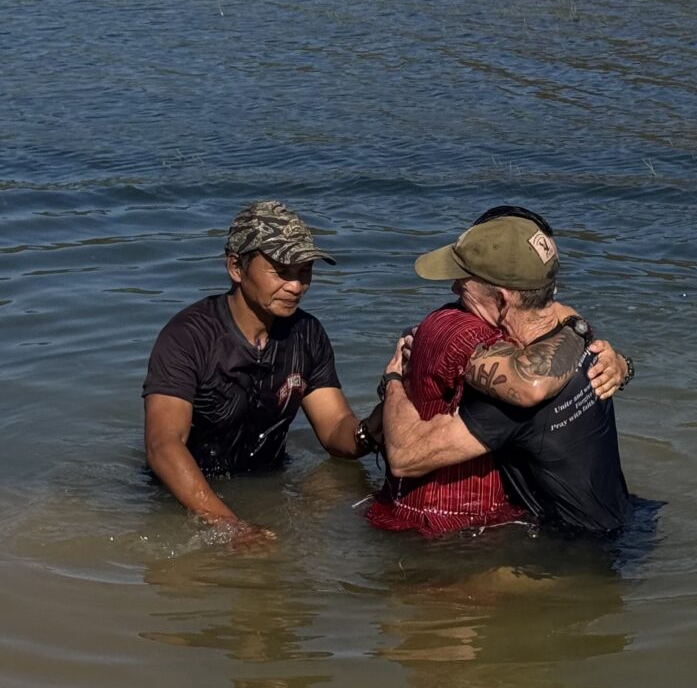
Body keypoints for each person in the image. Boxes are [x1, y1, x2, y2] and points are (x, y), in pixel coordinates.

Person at [143, 200, 380, 544]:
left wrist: (375, 428)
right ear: (236, 268)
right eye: (282, 272)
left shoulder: (307, 334)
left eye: (304, 272)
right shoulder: (187, 337)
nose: (296, 287)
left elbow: (335, 433)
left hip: (270, 481)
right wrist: (229, 526)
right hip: (183, 495)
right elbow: (162, 445)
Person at [380, 213, 632, 535]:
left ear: (501, 298)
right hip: (626, 516)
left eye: (463, 282)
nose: (455, 287)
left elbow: (405, 456)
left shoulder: (511, 400)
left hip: (580, 550)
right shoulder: (587, 350)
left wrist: (394, 379)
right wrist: (622, 362)